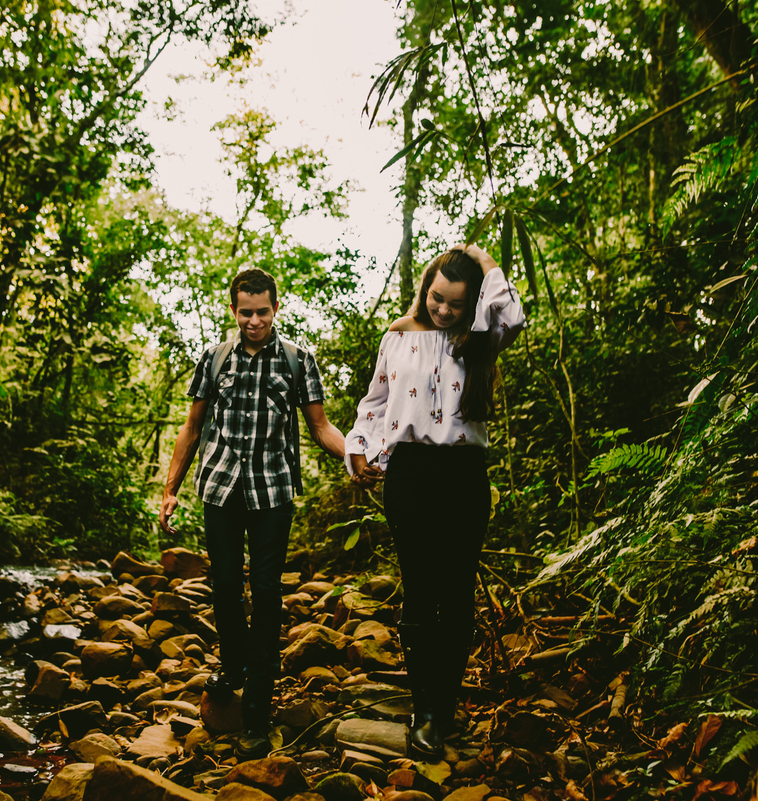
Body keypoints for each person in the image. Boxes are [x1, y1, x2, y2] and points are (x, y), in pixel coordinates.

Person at [344, 243, 525, 758]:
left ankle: (444, 704)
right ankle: (425, 712)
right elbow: (375, 402)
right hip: (411, 473)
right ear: (425, 287)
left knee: (458, 593)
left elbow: (513, 314)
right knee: (421, 592)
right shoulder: (398, 337)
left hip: (464, 475)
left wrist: (485, 260)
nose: (442, 309)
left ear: (470, 307)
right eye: (436, 297)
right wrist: (359, 448)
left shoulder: (477, 340)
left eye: (454, 304)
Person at [159, 268, 347, 759]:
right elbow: (192, 426)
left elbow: (320, 425)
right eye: (246, 312)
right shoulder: (214, 358)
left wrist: (355, 456)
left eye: (263, 311)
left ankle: (258, 710)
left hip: (274, 491)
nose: (255, 320)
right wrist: (171, 489)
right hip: (220, 486)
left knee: (265, 592)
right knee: (223, 585)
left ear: (276, 309)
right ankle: (235, 664)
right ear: (233, 310)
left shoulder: (297, 360)